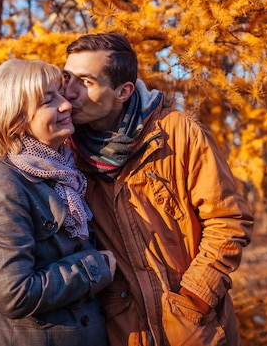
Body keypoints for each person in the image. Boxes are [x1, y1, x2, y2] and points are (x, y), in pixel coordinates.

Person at [59, 32, 254, 346]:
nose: (69, 92)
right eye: (67, 77)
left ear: (122, 92)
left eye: (86, 81)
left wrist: (195, 297)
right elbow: (22, 217)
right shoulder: (60, 151)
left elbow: (228, 220)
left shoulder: (176, 133)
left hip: (194, 329)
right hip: (118, 332)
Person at [0, 58, 117, 346]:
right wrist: (94, 267)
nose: (66, 105)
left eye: (62, 94)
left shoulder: (69, 170)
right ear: (17, 122)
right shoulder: (4, 185)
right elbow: (15, 294)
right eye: (49, 101)